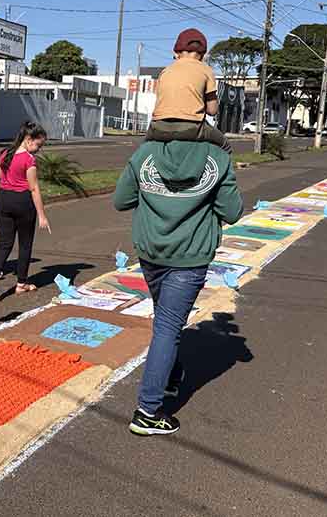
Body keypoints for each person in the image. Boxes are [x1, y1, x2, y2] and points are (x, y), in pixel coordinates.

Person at [113, 117, 244, 436]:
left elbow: (121, 200)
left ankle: (168, 374)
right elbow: (233, 211)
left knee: (164, 322)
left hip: (151, 252)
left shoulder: (145, 153)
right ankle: (147, 411)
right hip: (190, 255)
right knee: (168, 328)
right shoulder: (218, 158)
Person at [0, 122, 50, 300]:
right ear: (28, 139)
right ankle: (21, 284)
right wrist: (42, 215)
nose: (39, 149)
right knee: (25, 244)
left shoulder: (6, 152)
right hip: (22, 202)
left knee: (5, 243)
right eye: (38, 144)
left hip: (4, 200)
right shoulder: (28, 159)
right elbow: (34, 188)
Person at [146, 28, 232, 153]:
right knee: (225, 146)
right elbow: (212, 111)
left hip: (157, 127)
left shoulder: (165, 71)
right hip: (192, 128)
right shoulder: (206, 70)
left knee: (143, 151)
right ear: (203, 55)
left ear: (176, 53)